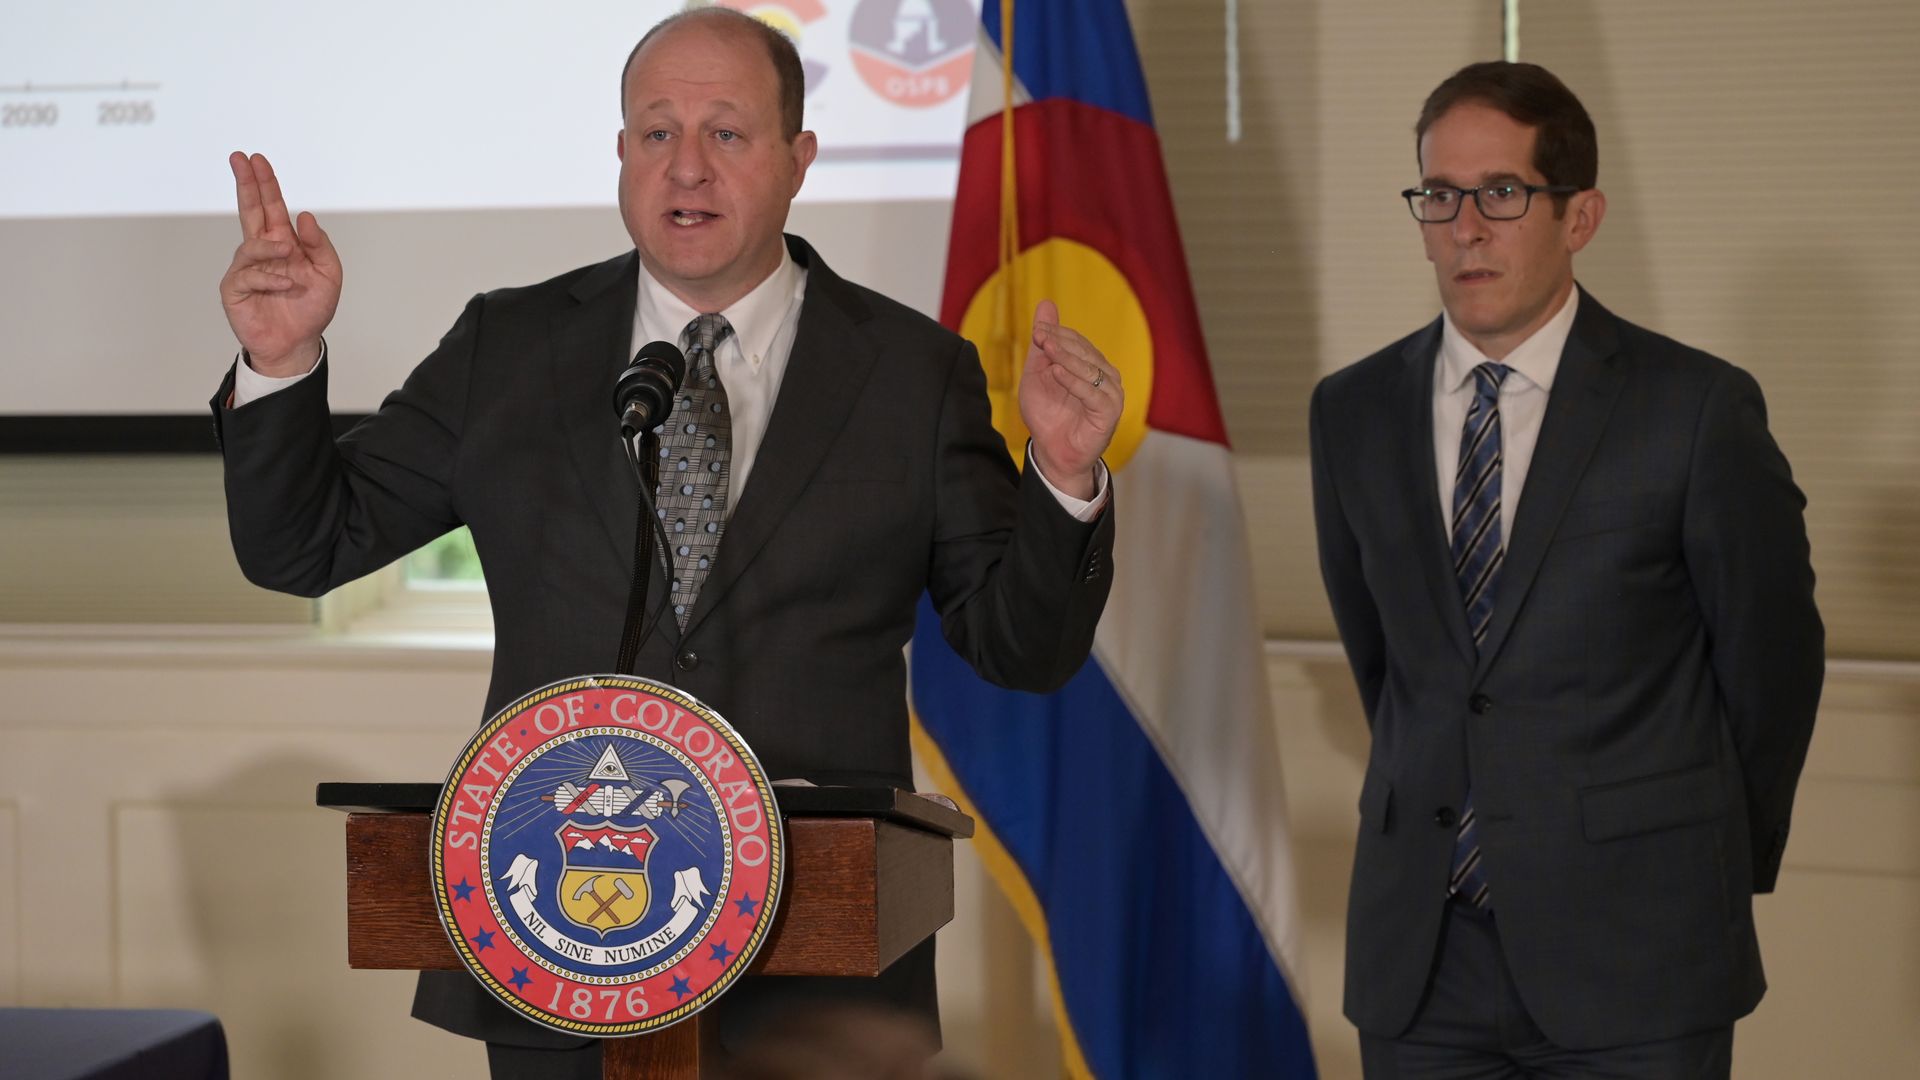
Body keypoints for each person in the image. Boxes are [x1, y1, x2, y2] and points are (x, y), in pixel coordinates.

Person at [212, 9, 1121, 1078]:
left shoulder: (913, 375)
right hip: (553, 939)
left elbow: (1020, 648)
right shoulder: (509, 347)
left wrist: (1062, 478)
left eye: (727, 134)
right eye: (655, 133)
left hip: (814, 975)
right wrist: (282, 361)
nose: (685, 167)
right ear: (620, 155)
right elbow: (304, 548)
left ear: (797, 160)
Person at [1309, 61, 1823, 1078]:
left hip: (1640, 949)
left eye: (1501, 194)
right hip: (1423, 958)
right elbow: (1394, 671)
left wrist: (1711, 859)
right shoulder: (1351, 411)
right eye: (1439, 196)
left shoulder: (1695, 411)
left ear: (1579, 216)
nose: (1465, 228)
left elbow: (1772, 668)